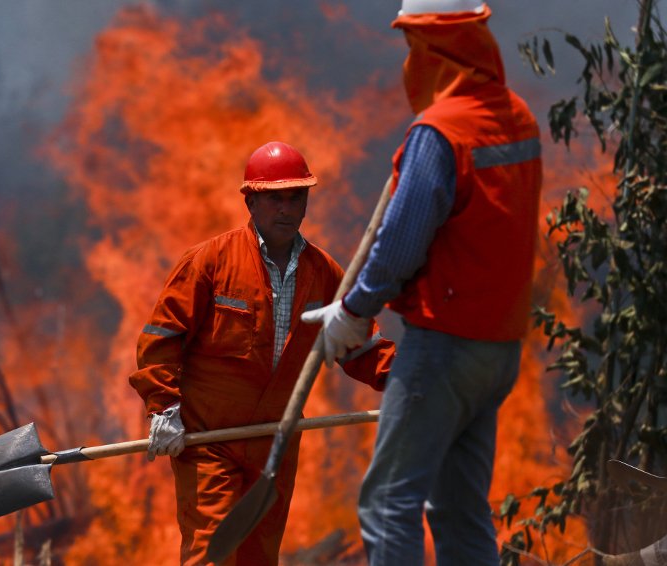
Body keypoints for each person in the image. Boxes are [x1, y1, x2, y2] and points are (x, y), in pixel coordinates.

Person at [301, 1, 543, 565]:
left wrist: (354, 309)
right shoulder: (517, 116)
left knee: (388, 504)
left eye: (414, 48)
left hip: (445, 347)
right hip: (499, 348)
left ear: (440, 51)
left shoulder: (440, 132)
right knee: (459, 508)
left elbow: (400, 245)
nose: (409, 63)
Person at [129, 141, 395, 566]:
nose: (287, 209)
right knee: (210, 554)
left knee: (258, 557)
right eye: (275, 198)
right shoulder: (210, 262)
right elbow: (163, 337)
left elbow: (360, 345)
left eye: (297, 197)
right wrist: (164, 408)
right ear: (251, 201)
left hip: (275, 441)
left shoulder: (324, 273)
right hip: (209, 441)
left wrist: (409, 380)